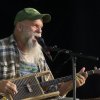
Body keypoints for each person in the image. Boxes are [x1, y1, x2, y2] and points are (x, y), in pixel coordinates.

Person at [0, 7, 88, 99]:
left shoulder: (38, 54)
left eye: (41, 27)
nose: (40, 31)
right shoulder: (2, 47)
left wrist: (68, 86)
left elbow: (50, 91)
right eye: (35, 26)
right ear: (19, 27)